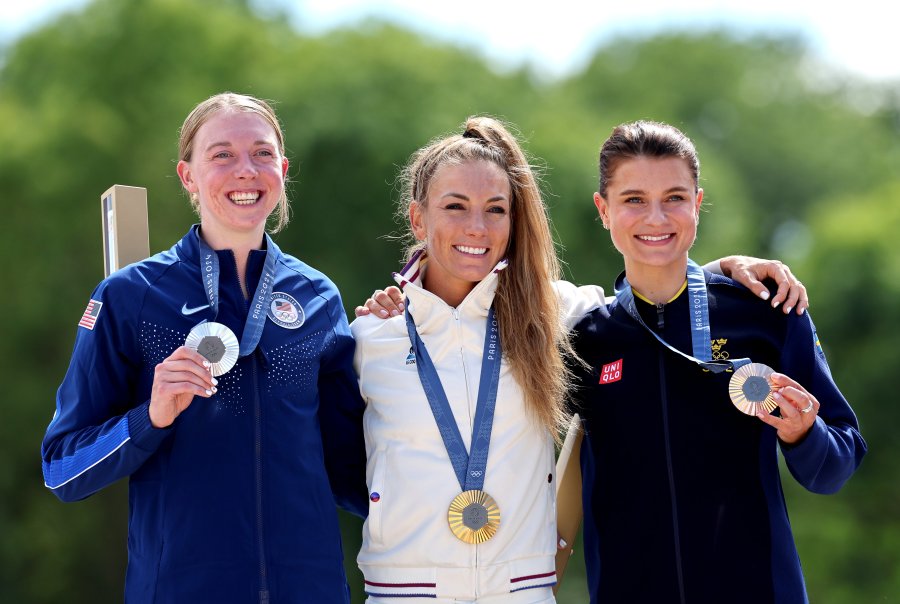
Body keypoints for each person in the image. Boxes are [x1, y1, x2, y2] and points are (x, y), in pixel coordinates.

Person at [350, 116, 806, 604]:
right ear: (419, 218)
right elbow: (344, 468)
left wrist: (721, 272)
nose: (477, 227)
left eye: (496, 209)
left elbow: (651, 297)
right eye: (455, 207)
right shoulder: (368, 339)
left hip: (521, 593)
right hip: (403, 592)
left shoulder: (557, 315)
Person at [41, 92, 367, 603]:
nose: (246, 170)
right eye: (221, 155)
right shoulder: (132, 296)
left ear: (282, 170)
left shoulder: (318, 296)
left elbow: (353, 470)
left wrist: (402, 341)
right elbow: (63, 468)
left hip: (310, 589)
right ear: (187, 176)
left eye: (262, 154)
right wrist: (150, 417)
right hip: (181, 589)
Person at [570, 120, 866, 603]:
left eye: (674, 198)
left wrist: (802, 435)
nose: (656, 218)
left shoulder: (766, 313)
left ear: (697, 204)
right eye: (634, 200)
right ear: (604, 209)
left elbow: (835, 467)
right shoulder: (585, 340)